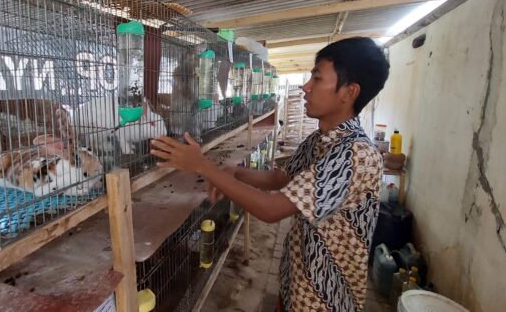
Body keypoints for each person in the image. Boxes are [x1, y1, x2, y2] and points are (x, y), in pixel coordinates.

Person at [151, 37, 390, 312]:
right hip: (296, 283)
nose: (306, 87)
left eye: (317, 78)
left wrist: (203, 166)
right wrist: (231, 172)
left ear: (349, 92)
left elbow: (270, 209)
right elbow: (280, 179)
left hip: (323, 301)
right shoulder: (321, 140)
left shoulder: (355, 156)